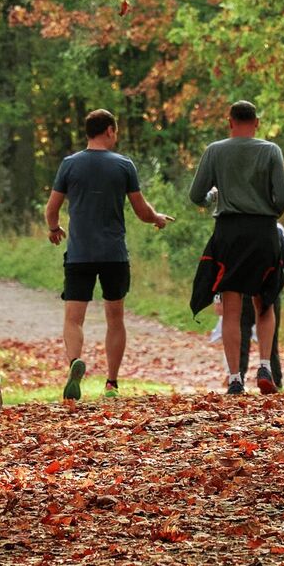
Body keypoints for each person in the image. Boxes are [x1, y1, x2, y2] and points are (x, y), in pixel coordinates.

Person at [44, 109, 172, 400]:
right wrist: (157, 219)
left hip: (79, 255)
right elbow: (141, 210)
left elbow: (51, 209)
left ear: (88, 132)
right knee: (115, 318)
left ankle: (75, 362)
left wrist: (54, 228)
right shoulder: (123, 165)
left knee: (74, 318)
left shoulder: (69, 165)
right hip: (114, 254)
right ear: (110, 131)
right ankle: (112, 383)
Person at [188, 100, 284, 396]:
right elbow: (283, 196)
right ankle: (265, 367)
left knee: (231, 308)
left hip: (229, 232)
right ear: (256, 122)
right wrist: (267, 212)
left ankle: (235, 378)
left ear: (230, 121)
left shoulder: (215, 151)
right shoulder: (271, 151)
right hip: (263, 231)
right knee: (265, 302)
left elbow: (197, 194)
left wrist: (213, 199)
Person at [234, 223, 284, 389]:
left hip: (268, 291)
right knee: (242, 339)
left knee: (269, 340)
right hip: (245, 291)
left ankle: (273, 381)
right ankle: (239, 382)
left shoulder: (276, 228)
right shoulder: (238, 226)